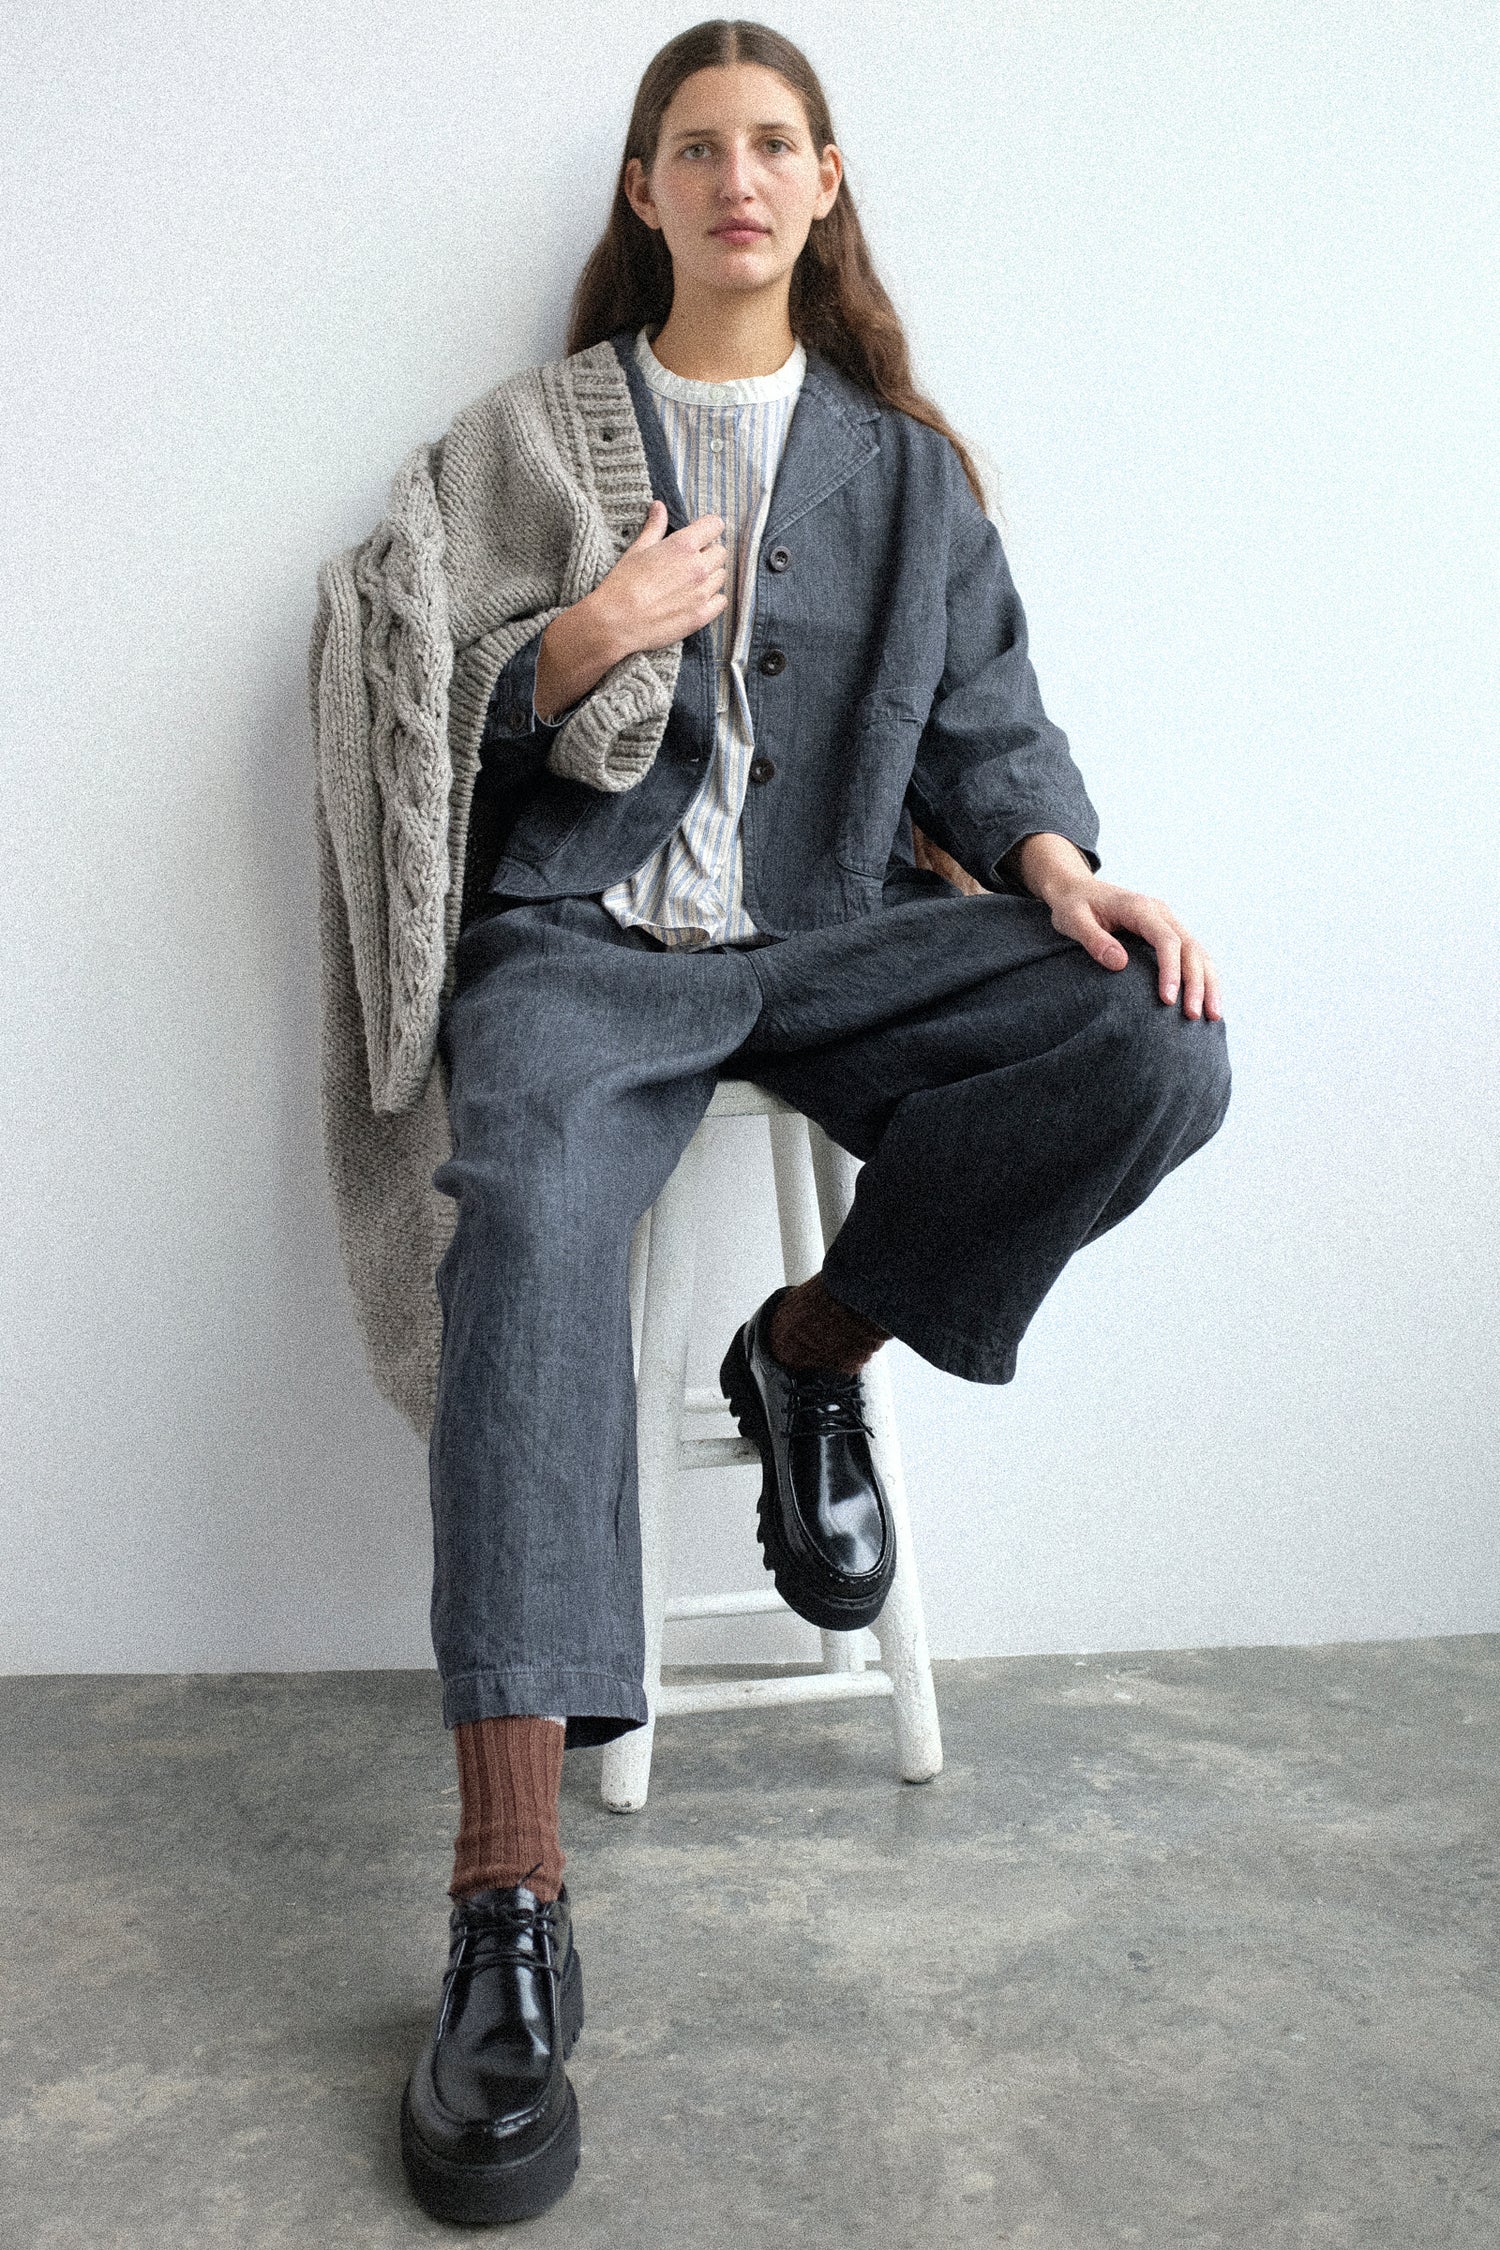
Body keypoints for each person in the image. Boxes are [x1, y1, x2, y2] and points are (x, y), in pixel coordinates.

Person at [343, 18, 1231, 2226]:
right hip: (581, 948)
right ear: (644, 193)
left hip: (832, 938)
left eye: (773, 146)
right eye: (693, 148)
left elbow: (993, 731)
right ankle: (507, 1914)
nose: (736, 179)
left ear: (824, 186)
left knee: (1160, 1042)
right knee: (533, 1215)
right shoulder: (524, 444)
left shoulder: (907, 470)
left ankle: (811, 1350)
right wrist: (571, 650)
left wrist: (1057, 869)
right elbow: (389, 680)